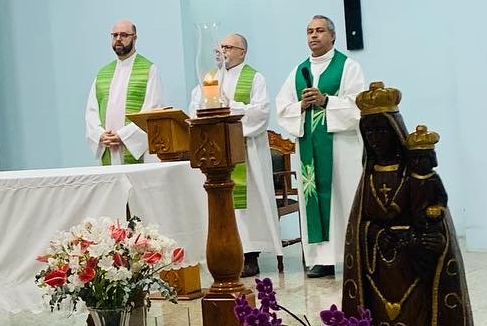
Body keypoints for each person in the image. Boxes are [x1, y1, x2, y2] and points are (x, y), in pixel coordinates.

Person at [343, 92, 483, 326]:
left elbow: (434, 218)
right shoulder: (367, 178)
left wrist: (422, 239)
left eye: (381, 130)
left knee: (417, 322)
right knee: (383, 325)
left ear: (396, 130)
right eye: (369, 131)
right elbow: (360, 225)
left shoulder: (419, 176)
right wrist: (378, 234)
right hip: (378, 269)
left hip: (412, 267)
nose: (376, 138)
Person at [275, 15, 366, 278]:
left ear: (333, 36)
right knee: (313, 199)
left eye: (319, 31)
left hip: (340, 150)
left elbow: (359, 105)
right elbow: (283, 108)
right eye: (309, 31)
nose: (313, 35)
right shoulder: (298, 72)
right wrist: (300, 106)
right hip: (309, 148)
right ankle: (322, 260)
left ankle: (350, 256)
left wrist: (327, 101)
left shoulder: (348, 67)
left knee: (342, 197)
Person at [186, 33, 282, 277]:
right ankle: (224, 251)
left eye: (228, 47)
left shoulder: (255, 78)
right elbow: (194, 109)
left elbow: (261, 112)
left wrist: (230, 106)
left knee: (248, 205)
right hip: (217, 152)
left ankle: (250, 255)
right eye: (220, 47)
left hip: (246, 152)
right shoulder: (210, 80)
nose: (223, 51)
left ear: (242, 52)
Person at [85, 20, 163, 165]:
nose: (118, 39)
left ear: (134, 38)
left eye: (124, 35)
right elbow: (91, 112)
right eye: (115, 35)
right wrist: (100, 135)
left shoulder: (148, 70)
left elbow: (152, 111)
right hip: (108, 147)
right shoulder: (103, 74)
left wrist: (123, 136)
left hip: (133, 149)